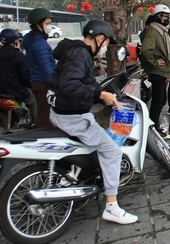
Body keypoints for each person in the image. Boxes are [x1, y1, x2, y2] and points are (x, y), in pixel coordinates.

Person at [47, 20, 138, 225]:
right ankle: (112, 207)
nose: (104, 47)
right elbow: (70, 84)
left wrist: (98, 90)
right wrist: (100, 94)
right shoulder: (80, 54)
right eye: (105, 43)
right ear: (99, 38)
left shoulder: (73, 51)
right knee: (113, 152)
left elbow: (77, 81)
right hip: (74, 117)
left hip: (62, 113)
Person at [0, 28, 37, 123]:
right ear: (14, 41)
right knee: (33, 102)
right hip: (14, 89)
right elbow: (25, 76)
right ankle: (39, 125)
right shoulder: (18, 56)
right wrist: (30, 85)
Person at [140, 4, 170, 139]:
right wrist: (154, 63)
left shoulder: (161, 30)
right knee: (157, 101)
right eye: (165, 16)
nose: (167, 19)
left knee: (161, 100)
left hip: (163, 71)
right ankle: (153, 128)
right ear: (158, 16)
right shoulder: (153, 30)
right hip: (157, 71)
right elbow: (145, 50)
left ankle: (154, 125)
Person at [23, 8, 56, 128]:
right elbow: (45, 67)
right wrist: (53, 83)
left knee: (45, 112)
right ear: (38, 25)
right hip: (43, 83)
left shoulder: (35, 40)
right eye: (47, 24)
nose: (49, 26)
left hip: (38, 81)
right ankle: (42, 136)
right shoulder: (39, 43)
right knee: (44, 115)